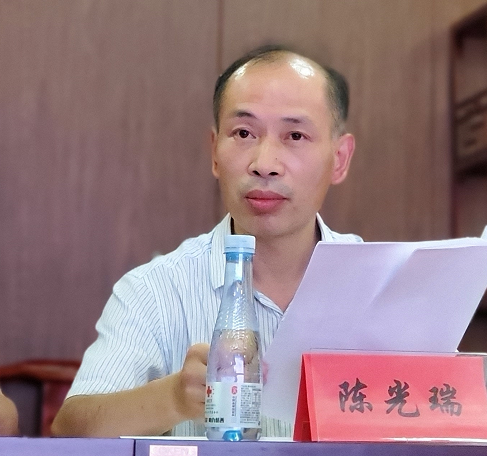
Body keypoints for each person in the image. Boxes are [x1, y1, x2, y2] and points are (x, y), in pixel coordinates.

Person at [51, 45, 359, 438]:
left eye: (295, 135)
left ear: (339, 158)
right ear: (214, 151)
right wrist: (173, 399)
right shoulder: (155, 290)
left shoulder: (386, 283)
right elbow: (70, 432)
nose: (264, 164)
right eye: (243, 133)